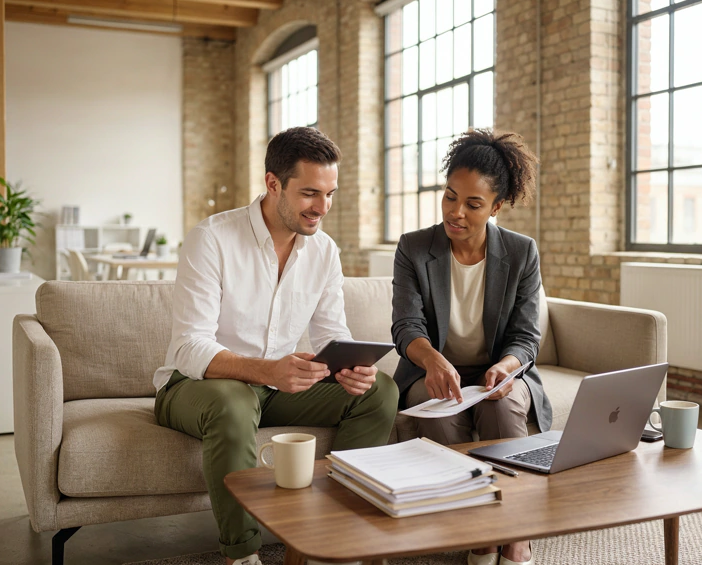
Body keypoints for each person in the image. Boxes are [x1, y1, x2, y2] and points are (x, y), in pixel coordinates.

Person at [154, 127, 399, 565]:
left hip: (276, 390)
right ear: (273, 184)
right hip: (195, 387)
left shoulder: (323, 251)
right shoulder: (212, 239)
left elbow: (331, 337)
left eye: (329, 194)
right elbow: (189, 347)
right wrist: (267, 371)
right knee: (232, 401)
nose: (321, 208)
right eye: (309, 193)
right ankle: (243, 554)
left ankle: (336, 533)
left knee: (380, 390)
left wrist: (350, 366)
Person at [391, 129, 551, 565]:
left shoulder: (521, 253)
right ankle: (480, 529)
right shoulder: (414, 248)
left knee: (503, 406)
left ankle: (517, 531)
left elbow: (526, 334)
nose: (455, 212)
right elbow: (406, 325)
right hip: (432, 369)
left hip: (500, 371)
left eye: (473, 204)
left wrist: (508, 366)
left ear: (496, 207)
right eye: (449, 197)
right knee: (439, 411)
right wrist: (433, 361)